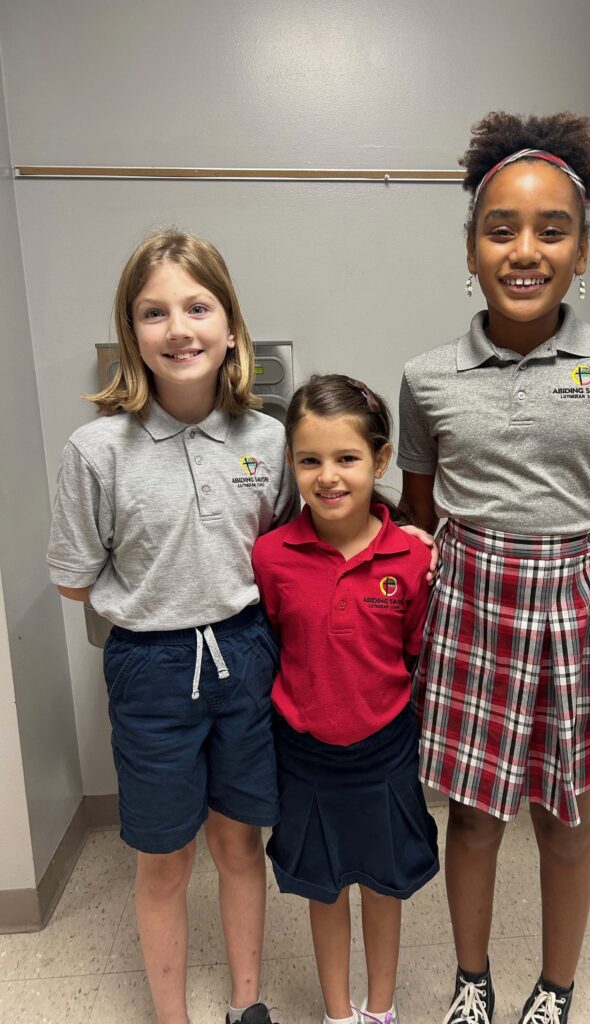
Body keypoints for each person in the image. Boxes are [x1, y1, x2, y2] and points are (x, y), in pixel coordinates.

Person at [398, 112, 590, 1024]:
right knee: (472, 816)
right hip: (469, 615)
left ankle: (555, 989)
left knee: (566, 817)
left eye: (553, 229)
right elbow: (417, 519)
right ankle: (471, 983)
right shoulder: (428, 376)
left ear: (583, 248)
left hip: (577, 614)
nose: (526, 249)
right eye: (500, 228)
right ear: (470, 250)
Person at [47, 230, 300, 1024]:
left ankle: (248, 1003)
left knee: (239, 842)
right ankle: (171, 1015)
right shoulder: (97, 450)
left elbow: (291, 547)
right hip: (151, 667)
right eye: (154, 313)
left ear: (230, 325)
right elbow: (74, 578)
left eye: (197, 306)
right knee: (164, 854)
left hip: (247, 654)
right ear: (132, 334)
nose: (179, 328)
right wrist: (163, 604)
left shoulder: (268, 438)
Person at [252, 374, 439, 1024]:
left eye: (347, 458)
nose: (328, 476)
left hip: (384, 754)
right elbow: (274, 641)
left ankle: (379, 1011)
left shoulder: (411, 560)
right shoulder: (271, 557)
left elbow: (414, 651)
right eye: (310, 460)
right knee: (325, 889)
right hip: (303, 758)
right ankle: (338, 1014)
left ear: (380, 460)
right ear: (292, 465)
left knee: (384, 888)